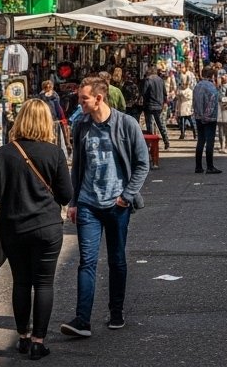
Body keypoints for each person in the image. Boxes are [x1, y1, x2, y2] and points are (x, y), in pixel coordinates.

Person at [62, 74, 150, 338]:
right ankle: (82, 320)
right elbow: (78, 166)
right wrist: (75, 201)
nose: (79, 103)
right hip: (89, 203)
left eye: (83, 99)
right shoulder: (81, 125)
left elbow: (142, 163)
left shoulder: (127, 124)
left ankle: (116, 311)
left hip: (117, 205)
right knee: (86, 262)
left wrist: (126, 196)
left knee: (117, 260)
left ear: (99, 98)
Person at [0, 99, 74, 360]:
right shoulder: (54, 153)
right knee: (44, 284)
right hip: (47, 227)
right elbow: (65, 194)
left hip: (14, 228)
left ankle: (23, 337)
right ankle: (39, 341)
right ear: (47, 122)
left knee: (21, 282)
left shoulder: (5, 153)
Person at [191, 67, 221, 174]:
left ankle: (198, 166)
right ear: (212, 76)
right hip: (209, 118)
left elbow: (194, 102)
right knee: (209, 141)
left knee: (201, 140)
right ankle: (210, 166)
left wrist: (198, 114)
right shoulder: (211, 87)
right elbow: (212, 104)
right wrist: (206, 116)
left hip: (198, 116)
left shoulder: (197, 86)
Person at [139, 67, 169, 148]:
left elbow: (144, 92)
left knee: (149, 125)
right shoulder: (160, 80)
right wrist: (163, 103)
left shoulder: (148, 80)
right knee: (160, 124)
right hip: (159, 106)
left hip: (149, 105)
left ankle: (150, 143)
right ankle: (166, 141)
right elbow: (165, 93)